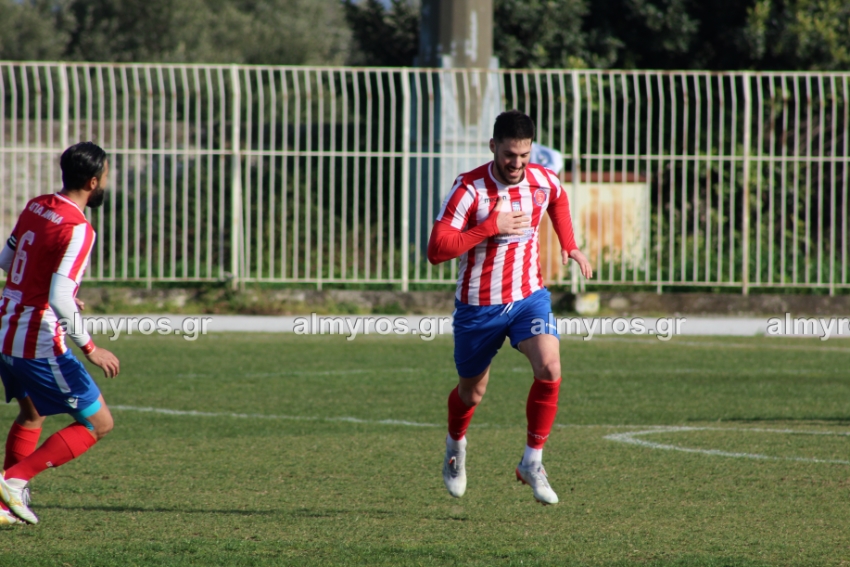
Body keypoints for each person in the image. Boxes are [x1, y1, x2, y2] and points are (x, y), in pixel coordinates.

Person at [427, 110, 592, 505]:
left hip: (527, 298)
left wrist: (569, 244)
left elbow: (558, 199)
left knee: (550, 367)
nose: (517, 163)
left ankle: (532, 461)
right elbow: (436, 249)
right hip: (478, 307)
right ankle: (455, 446)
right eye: (509, 155)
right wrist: (489, 226)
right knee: (472, 393)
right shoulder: (469, 189)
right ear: (493, 147)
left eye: (524, 155)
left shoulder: (541, 179)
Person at [0, 141, 120, 524]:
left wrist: (54, 292)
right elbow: (59, 297)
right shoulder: (79, 228)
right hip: (36, 339)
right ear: (93, 181)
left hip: (5, 328)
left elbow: (7, 260)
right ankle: (13, 481)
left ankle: (3, 508)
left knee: (32, 413)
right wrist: (91, 348)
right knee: (99, 423)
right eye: (106, 176)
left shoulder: (37, 205)